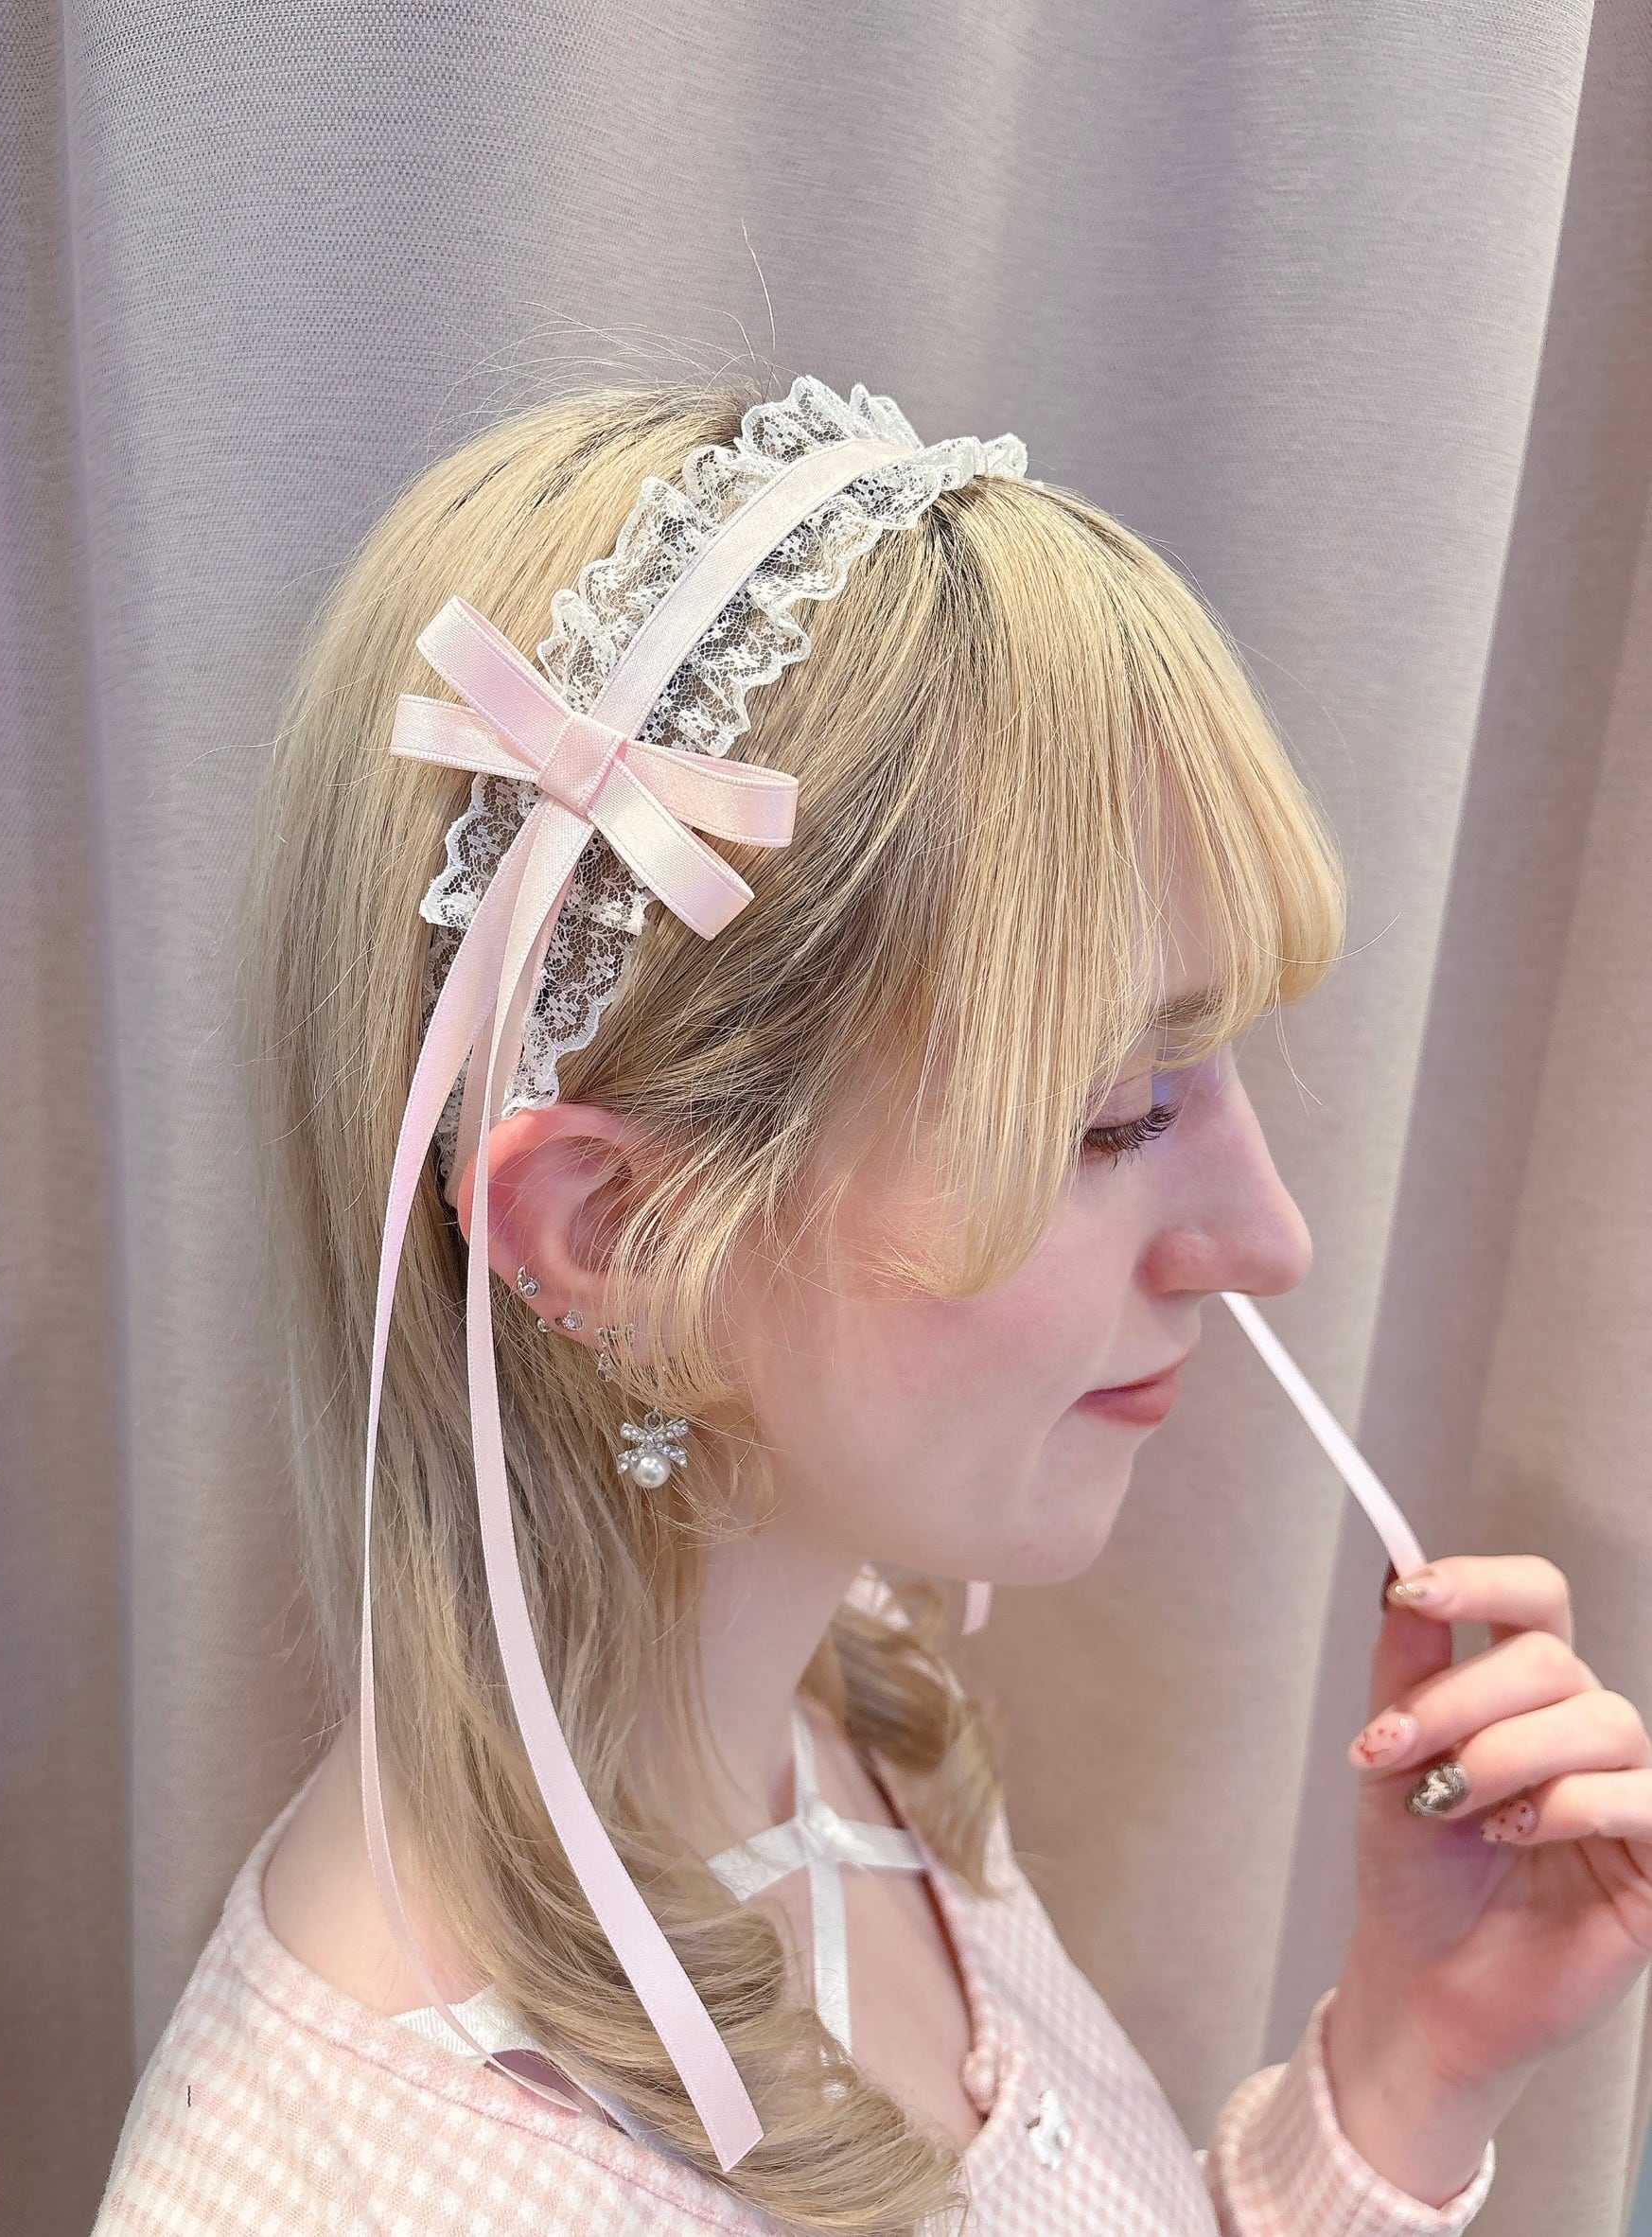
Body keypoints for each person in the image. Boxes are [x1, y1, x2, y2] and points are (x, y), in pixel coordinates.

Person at [94, 375, 1652, 2235]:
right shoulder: (370, 2191)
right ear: (617, 1230)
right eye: (1109, 1116)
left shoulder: (829, 1734)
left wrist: (1398, 2087)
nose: (1265, 1239)